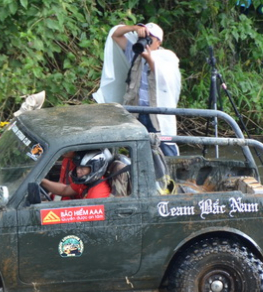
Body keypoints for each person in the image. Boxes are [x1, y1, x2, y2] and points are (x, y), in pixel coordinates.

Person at [111, 22, 182, 156]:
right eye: (145, 37)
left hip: (158, 116)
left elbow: (164, 77)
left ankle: (172, 176)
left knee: (166, 150)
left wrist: (149, 58)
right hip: (137, 113)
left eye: (150, 38)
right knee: (139, 153)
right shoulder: (135, 55)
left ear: (159, 42)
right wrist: (135, 28)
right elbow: (116, 35)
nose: (146, 42)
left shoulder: (167, 57)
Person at [41, 149, 112, 200]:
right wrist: (41, 181)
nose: (78, 171)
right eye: (78, 167)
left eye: (82, 168)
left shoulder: (96, 196)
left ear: (95, 168)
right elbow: (64, 190)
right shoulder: (86, 182)